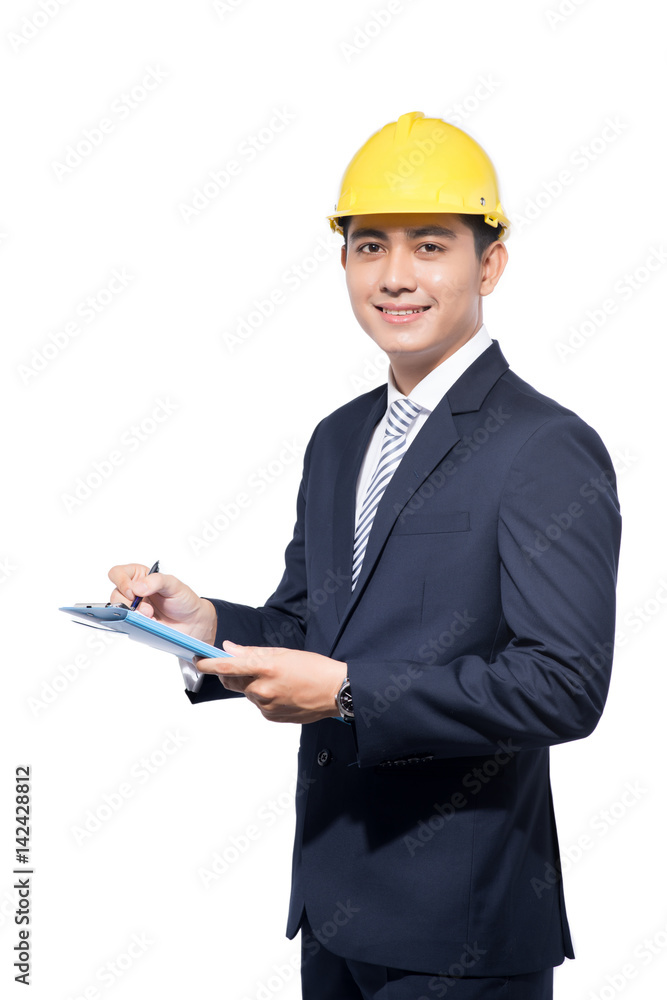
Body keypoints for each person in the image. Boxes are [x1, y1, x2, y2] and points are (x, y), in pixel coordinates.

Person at [109, 111, 621, 1000]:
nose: (393, 277)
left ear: (488, 264)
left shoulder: (543, 447)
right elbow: (312, 624)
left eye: (429, 246)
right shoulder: (339, 439)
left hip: (459, 933)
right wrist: (203, 624)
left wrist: (347, 693)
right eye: (368, 245)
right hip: (333, 905)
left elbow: (562, 686)